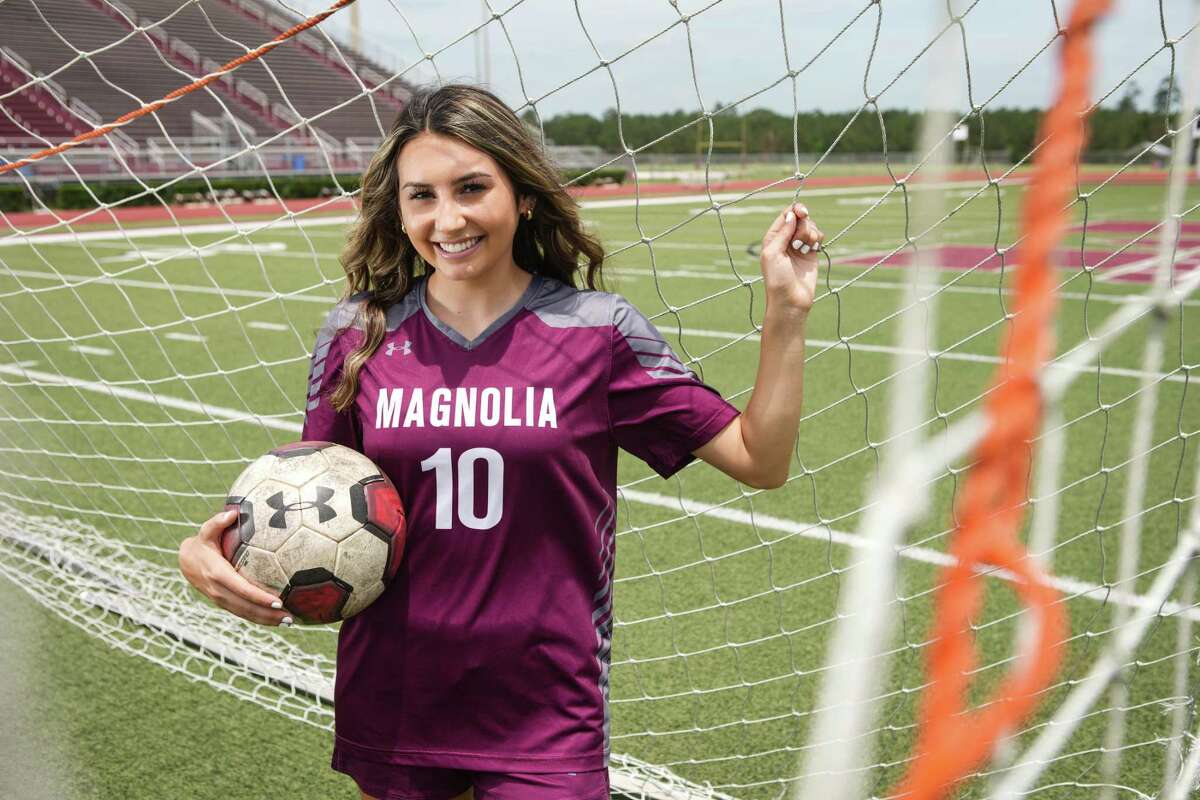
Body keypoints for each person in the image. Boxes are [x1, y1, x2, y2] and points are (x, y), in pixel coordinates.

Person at [178, 83, 822, 800]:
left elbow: (759, 460)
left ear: (522, 195)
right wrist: (205, 551)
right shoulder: (359, 333)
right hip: (395, 699)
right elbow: (302, 501)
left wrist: (787, 310)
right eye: (421, 195)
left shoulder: (596, 332)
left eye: (472, 188)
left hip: (544, 712)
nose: (446, 218)